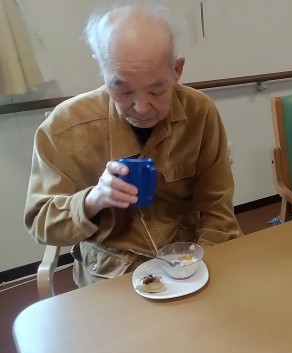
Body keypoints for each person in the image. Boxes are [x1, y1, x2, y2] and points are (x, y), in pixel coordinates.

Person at [24, 5, 242, 287]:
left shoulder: (200, 112)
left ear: (177, 70)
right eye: (122, 89)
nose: (141, 107)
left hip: (186, 263)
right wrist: (92, 200)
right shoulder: (63, 127)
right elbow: (41, 222)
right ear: (102, 70)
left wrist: (204, 269)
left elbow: (217, 208)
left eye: (157, 88)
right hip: (109, 274)